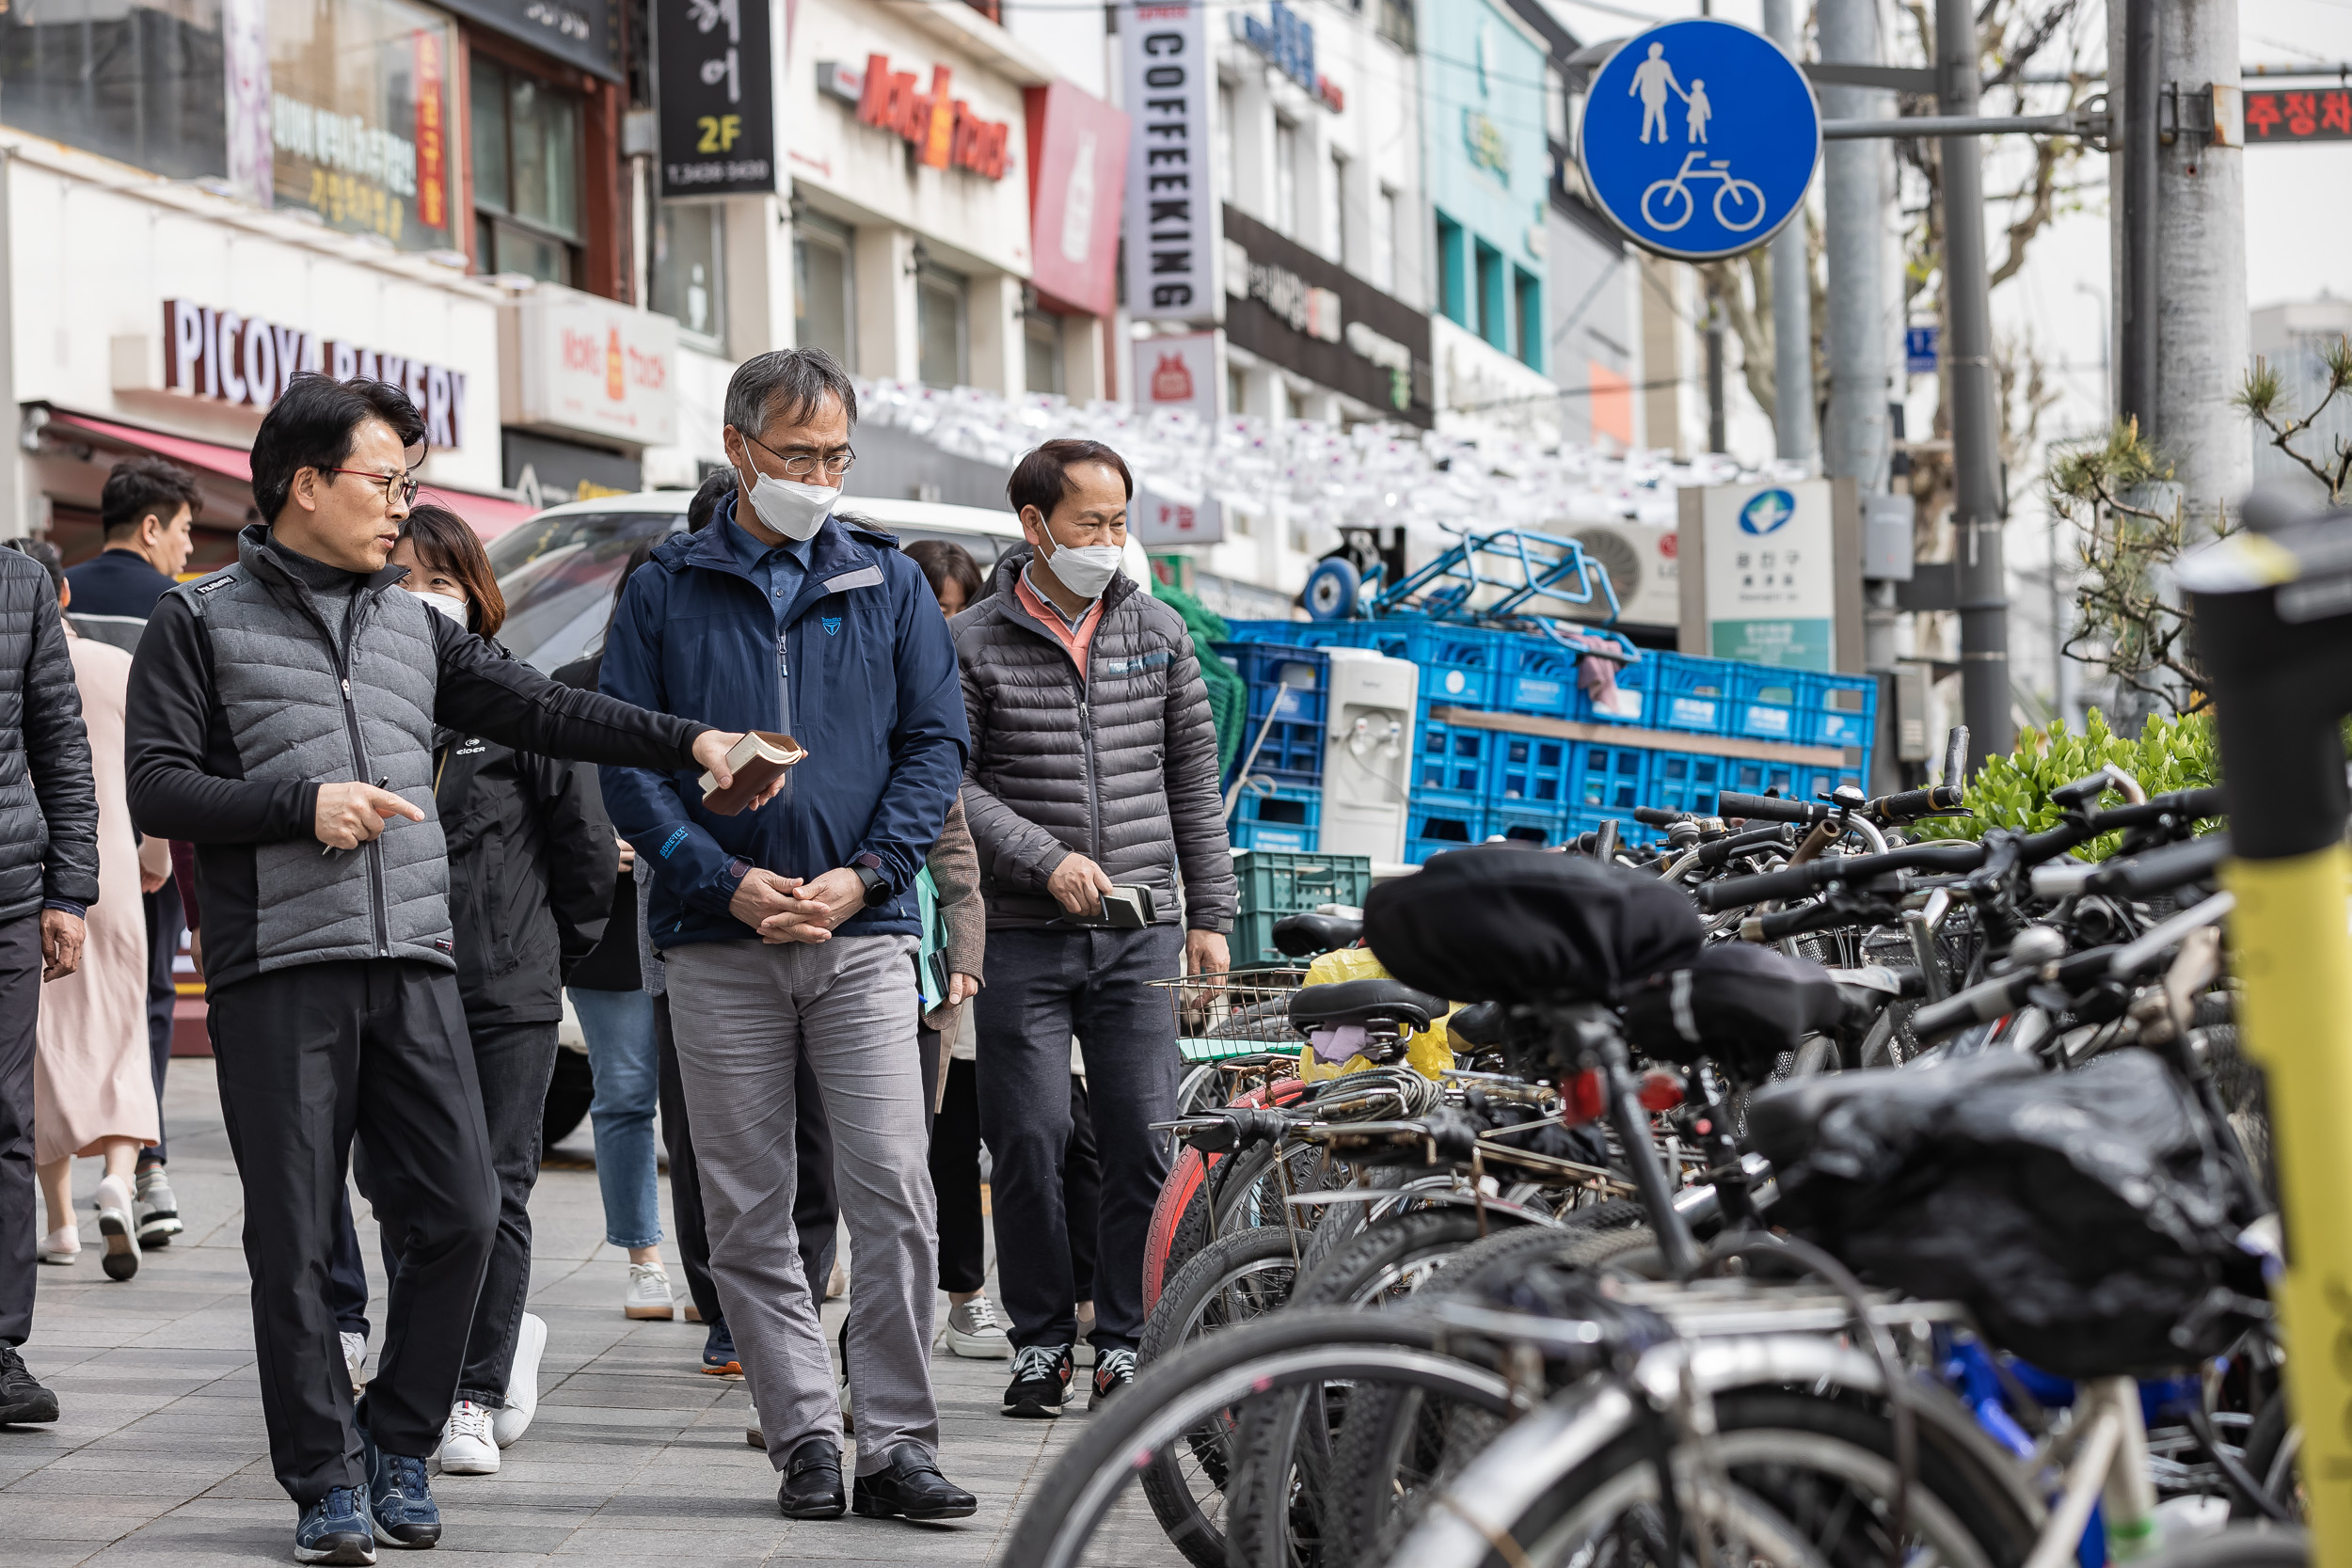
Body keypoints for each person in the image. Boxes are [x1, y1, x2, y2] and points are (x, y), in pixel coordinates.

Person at [123, 372, 764, 1565]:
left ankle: (399, 1438)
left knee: (467, 1213)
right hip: (281, 970)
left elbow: (551, 712)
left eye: (412, 483)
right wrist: (298, 804)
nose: (400, 506)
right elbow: (156, 786)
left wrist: (696, 741)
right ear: (303, 484)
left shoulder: (419, 626)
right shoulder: (198, 621)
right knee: (299, 1241)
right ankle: (322, 1479)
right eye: (384, 481)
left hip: (417, 958)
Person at [599, 347, 977, 1524]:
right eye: (799, 454)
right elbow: (632, 759)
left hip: (861, 938)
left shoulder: (887, 579)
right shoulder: (663, 586)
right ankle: (807, 1435)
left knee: (893, 1189)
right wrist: (724, 881)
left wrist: (867, 878)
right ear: (740, 450)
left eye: (835, 455)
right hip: (716, 945)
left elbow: (934, 747)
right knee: (749, 1204)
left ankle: (900, 1441)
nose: (820, 474)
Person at [954, 437, 1235, 1418]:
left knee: (1141, 1141)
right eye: (1091, 523)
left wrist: (1211, 915)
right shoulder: (971, 641)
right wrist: (1043, 857)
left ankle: (1124, 1335)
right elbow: (949, 785)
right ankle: (1039, 1341)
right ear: (1034, 527)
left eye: (1120, 522)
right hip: (1023, 933)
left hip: (1140, 932)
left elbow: (1192, 783)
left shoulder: (1156, 632)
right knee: (1025, 1138)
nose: (1110, 541)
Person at [349, 502, 615, 1477]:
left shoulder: (519, 703)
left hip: (505, 986)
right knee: (397, 1187)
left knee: (495, 1186)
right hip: (388, 979)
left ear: (476, 592)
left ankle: (473, 1387)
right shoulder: (359, 707)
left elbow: (584, 856)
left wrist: (544, 956)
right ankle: (419, 1359)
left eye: (439, 580)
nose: (421, 598)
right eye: (400, 580)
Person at [64, 455, 206, 1251]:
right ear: (150, 527)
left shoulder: (61, 596)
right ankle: (145, 1164)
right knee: (148, 994)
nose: (188, 550)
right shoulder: (178, 609)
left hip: (56, 836)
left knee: (58, 1001)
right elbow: (183, 737)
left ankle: (56, 1187)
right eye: (184, 531)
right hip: (147, 832)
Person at [19, 546, 167, 1281]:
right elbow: (155, 771)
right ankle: (117, 1175)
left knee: (46, 1044)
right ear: (67, 593)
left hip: (38, 875)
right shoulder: (119, 666)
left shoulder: (15, 669)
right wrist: (158, 857)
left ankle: (60, 1222)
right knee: (122, 1031)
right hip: (112, 866)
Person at [0, 538, 97, 1429]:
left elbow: (58, 738)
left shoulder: (18, 581)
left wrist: (68, 889)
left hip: (5, 890)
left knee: (4, 1115)